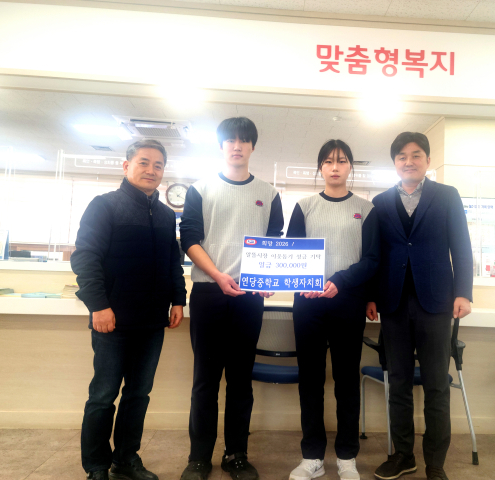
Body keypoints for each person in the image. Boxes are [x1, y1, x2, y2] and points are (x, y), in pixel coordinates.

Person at [72, 139, 187, 480]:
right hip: (112, 320)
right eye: (143, 162)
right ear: (126, 166)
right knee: (103, 396)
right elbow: (85, 257)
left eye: (158, 165)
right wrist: (98, 305)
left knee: (138, 394)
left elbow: (172, 263)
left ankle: (125, 459)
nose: (151, 170)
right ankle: (96, 466)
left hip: (151, 322)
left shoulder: (166, 215)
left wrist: (178, 299)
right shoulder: (104, 205)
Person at [178, 117, 284, 480]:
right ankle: (199, 457)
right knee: (205, 380)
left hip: (249, 297)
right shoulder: (200, 189)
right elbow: (189, 238)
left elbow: (274, 242)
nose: (237, 146)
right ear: (221, 146)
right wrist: (218, 275)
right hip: (209, 292)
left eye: (244, 140)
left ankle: (236, 454)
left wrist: (267, 277)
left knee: (240, 380)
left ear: (253, 146)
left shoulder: (269, 194)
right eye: (230, 140)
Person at [366, 132, 473, 480]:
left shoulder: (447, 195)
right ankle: (403, 455)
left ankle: (435, 463)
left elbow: (461, 246)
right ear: (394, 163)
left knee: (436, 384)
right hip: (393, 302)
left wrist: (464, 292)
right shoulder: (380, 202)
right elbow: (375, 254)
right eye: (401, 156)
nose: (408, 161)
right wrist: (371, 295)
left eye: (416, 155)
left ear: (427, 160)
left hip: (437, 302)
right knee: (398, 382)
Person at [286, 140, 379, 480]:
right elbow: (293, 254)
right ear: (320, 168)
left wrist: (340, 280)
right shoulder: (304, 206)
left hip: (348, 303)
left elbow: (372, 259)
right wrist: (303, 282)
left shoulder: (366, 209)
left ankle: (346, 457)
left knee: (346, 381)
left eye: (341, 161)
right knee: (310, 380)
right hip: (308, 304)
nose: (335, 167)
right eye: (328, 161)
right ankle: (312, 456)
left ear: (350, 166)